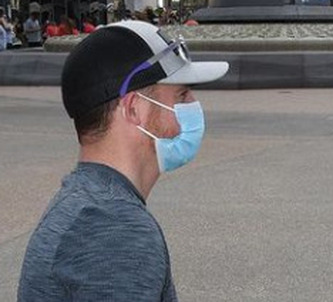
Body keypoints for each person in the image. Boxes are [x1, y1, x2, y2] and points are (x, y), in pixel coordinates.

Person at [17, 20, 229, 301]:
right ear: (134, 109)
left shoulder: (91, 204)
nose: (193, 104)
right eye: (182, 94)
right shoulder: (113, 230)